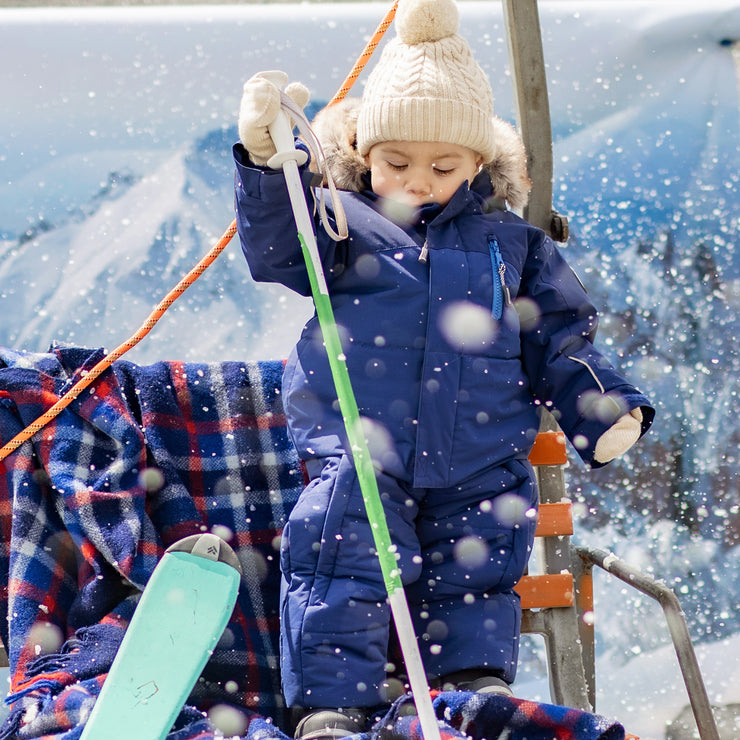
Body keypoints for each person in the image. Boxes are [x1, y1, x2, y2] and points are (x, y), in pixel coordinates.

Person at [233, 0, 654, 737]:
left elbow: (561, 336)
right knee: (342, 555)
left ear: (478, 164)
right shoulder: (337, 222)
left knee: (477, 559)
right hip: (364, 449)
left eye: (443, 166)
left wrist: (601, 408)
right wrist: (272, 171)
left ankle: (467, 686)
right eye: (397, 163)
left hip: (477, 450)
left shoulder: (512, 245)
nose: (418, 180)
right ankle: (334, 705)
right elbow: (276, 252)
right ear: (365, 150)